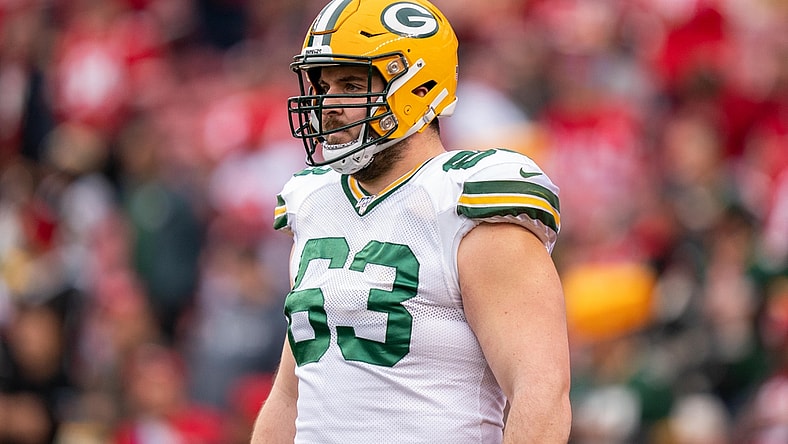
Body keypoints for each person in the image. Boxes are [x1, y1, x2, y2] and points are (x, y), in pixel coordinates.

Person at [251, 0, 572, 442]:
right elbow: (291, 394)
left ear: (418, 88)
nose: (328, 104)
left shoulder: (464, 201)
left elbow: (540, 390)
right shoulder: (313, 202)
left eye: (349, 83)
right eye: (323, 86)